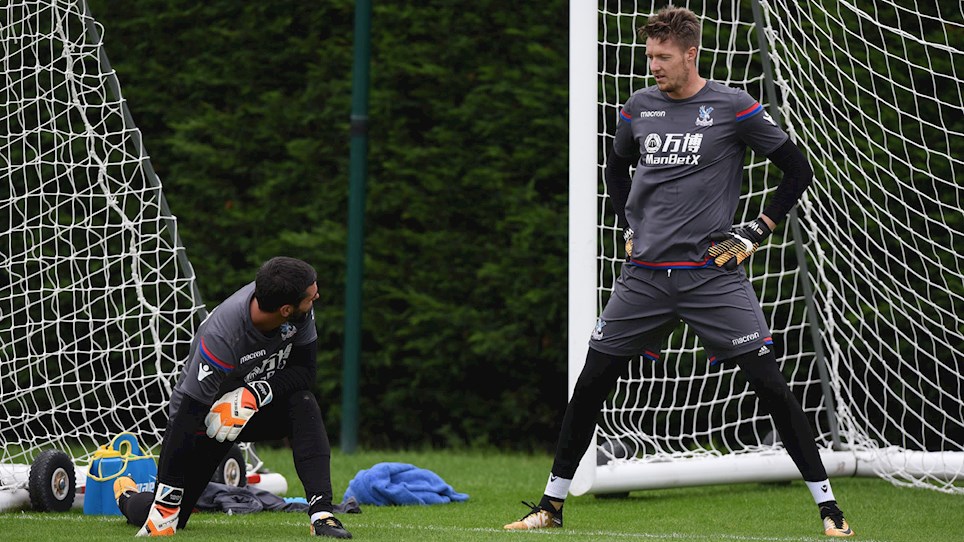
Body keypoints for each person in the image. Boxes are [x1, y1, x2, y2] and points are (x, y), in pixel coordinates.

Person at [503, 6, 854, 538]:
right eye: (649, 56)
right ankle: (550, 507)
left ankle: (830, 511)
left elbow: (797, 169)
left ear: (691, 54)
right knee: (590, 385)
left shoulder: (733, 106)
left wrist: (757, 230)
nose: (653, 66)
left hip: (711, 276)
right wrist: (627, 224)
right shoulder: (638, 107)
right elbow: (615, 168)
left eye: (663, 57)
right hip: (643, 278)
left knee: (772, 388)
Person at [113, 256, 351, 538]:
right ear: (286, 310)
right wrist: (167, 501)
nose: (316, 298)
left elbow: (305, 373)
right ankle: (128, 496)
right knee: (171, 517)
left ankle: (322, 514)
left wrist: (255, 393)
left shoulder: (298, 311)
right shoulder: (224, 334)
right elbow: (186, 416)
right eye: (311, 297)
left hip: (250, 407)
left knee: (303, 404)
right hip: (205, 418)